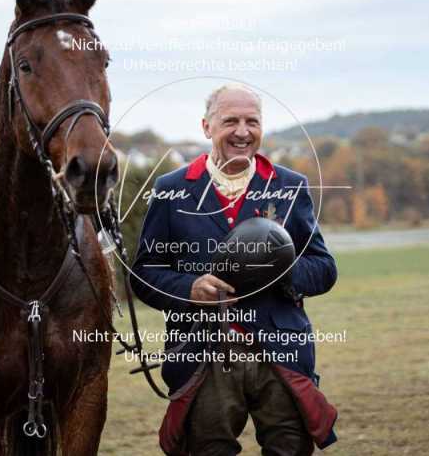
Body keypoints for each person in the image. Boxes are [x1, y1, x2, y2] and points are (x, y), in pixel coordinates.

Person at [132, 84, 338, 455]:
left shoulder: (290, 187)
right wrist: (189, 288)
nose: (242, 131)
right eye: (230, 121)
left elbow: (324, 269)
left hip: (280, 353)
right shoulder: (169, 189)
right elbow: (145, 274)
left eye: (252, 121)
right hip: (203, 353)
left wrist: (278, 268)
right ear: (206, 127)